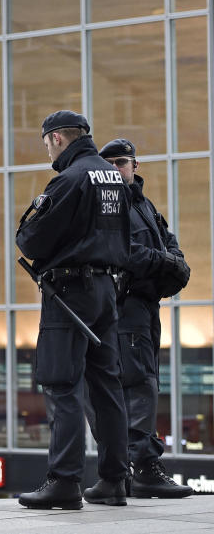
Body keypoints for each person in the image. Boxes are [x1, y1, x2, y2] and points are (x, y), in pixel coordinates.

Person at [15, 111, 131, 510]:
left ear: (58, 138)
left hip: (69, 292)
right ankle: (115, 480)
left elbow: (30, 239)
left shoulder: (70, 179)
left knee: (62, 384)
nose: (47, 149)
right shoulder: (113, 176)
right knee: (106, 385)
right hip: (106, 289)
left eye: (47, 142)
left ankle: (64, 481)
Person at [96, 138, 191, 498]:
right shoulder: (105, 205)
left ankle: (137, 468)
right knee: (137, 386)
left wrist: (171, 264)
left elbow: (170, 244)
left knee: (146, 384)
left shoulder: (145, 206)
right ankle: (141, 468)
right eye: (109, 163)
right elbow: (121, 252)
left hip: (145, 308)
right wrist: (165, 263)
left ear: (135, 166)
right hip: (124, 307)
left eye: (121, 162)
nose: (115, 169)